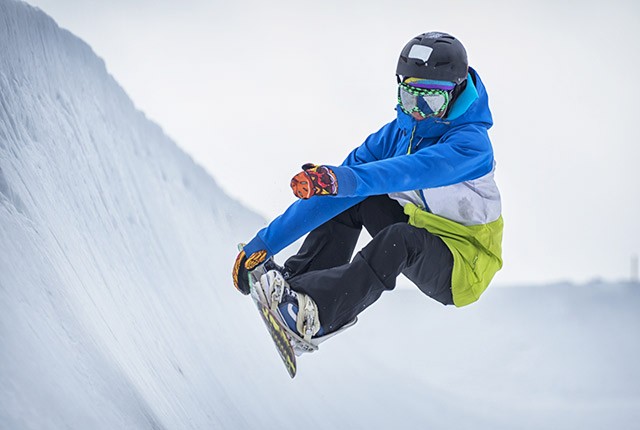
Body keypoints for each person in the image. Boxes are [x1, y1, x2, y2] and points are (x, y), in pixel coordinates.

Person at [233, 31, 503, 352]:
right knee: (349, 199)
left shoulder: (471, 145)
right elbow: (336, 190)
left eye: (430, 100)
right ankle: (294, 288)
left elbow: (409, 171)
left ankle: (316, 316)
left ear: (457, 93)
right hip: (422, 229)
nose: (417, 110)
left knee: (399, 237)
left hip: (462, 264)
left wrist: (342, 179)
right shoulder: (397, 134)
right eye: (409, 97)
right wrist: (263, 245)